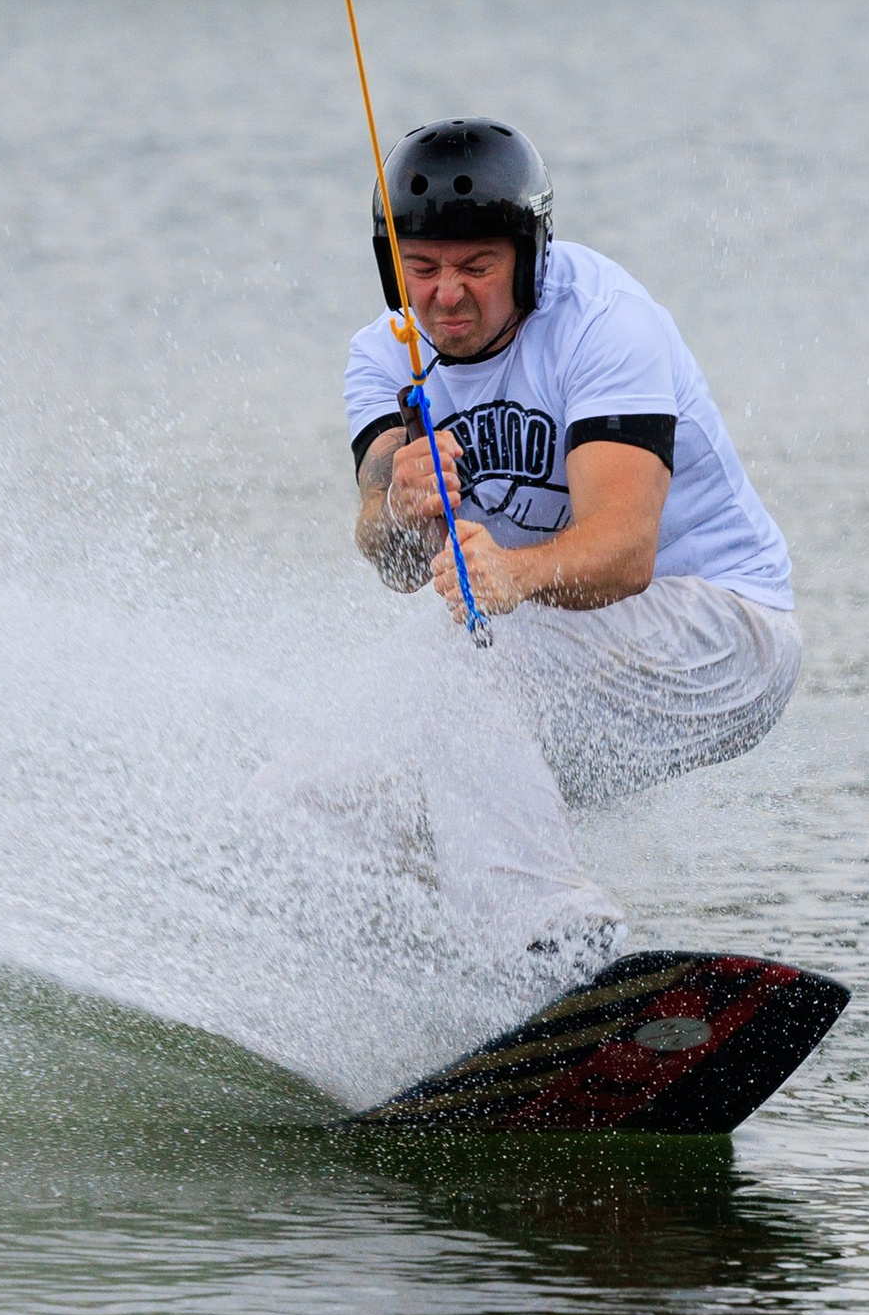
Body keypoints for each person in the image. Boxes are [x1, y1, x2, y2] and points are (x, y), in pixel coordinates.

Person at [343, 119, 800, 980]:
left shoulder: (604, 324)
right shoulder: (382, 360)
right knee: (327, 796)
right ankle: (430, 1005)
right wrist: (401, 507)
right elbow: (388, 555)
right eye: (425, 268)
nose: (447, 296)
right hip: (545, 663)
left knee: (454, 667)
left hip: (726, 633)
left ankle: (558, 952)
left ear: (528, 255)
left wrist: (510, 573)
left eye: (477, 267)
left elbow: (626, 552)